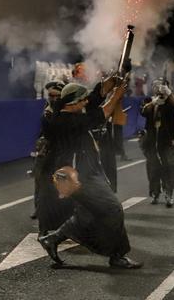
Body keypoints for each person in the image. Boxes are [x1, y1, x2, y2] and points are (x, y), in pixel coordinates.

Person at [37, 77, 142, 269]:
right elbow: (101, 113)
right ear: (73, 103)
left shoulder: (65, 111)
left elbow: (91, 101)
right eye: (82, 100)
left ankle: (52, 238)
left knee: (87, 213)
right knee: (114, 209)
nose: (86, 102)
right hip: (79, 176)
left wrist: (103, 88)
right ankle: (117, 255)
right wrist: (116, 95)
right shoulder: (66, 121)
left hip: (80, 172)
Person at [140, 80, 174, 207]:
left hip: (166, 140)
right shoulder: (149, 100)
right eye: (155, 85)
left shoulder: (170, 100)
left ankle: (169, 193)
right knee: (153, 168)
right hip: (151, 140)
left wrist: (169, 93)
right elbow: (143, 112)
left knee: (170, 166)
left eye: (161, 85)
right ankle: (155, 193)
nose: (158, 87)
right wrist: (153, 103)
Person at [31, 81, 65, 220]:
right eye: (51, 95)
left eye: (56, 95)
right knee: (39, 181)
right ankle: (39, 209)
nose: (53, 98)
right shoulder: (48, 108)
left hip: (60, 150)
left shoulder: (64, 110)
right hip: (45, 151)